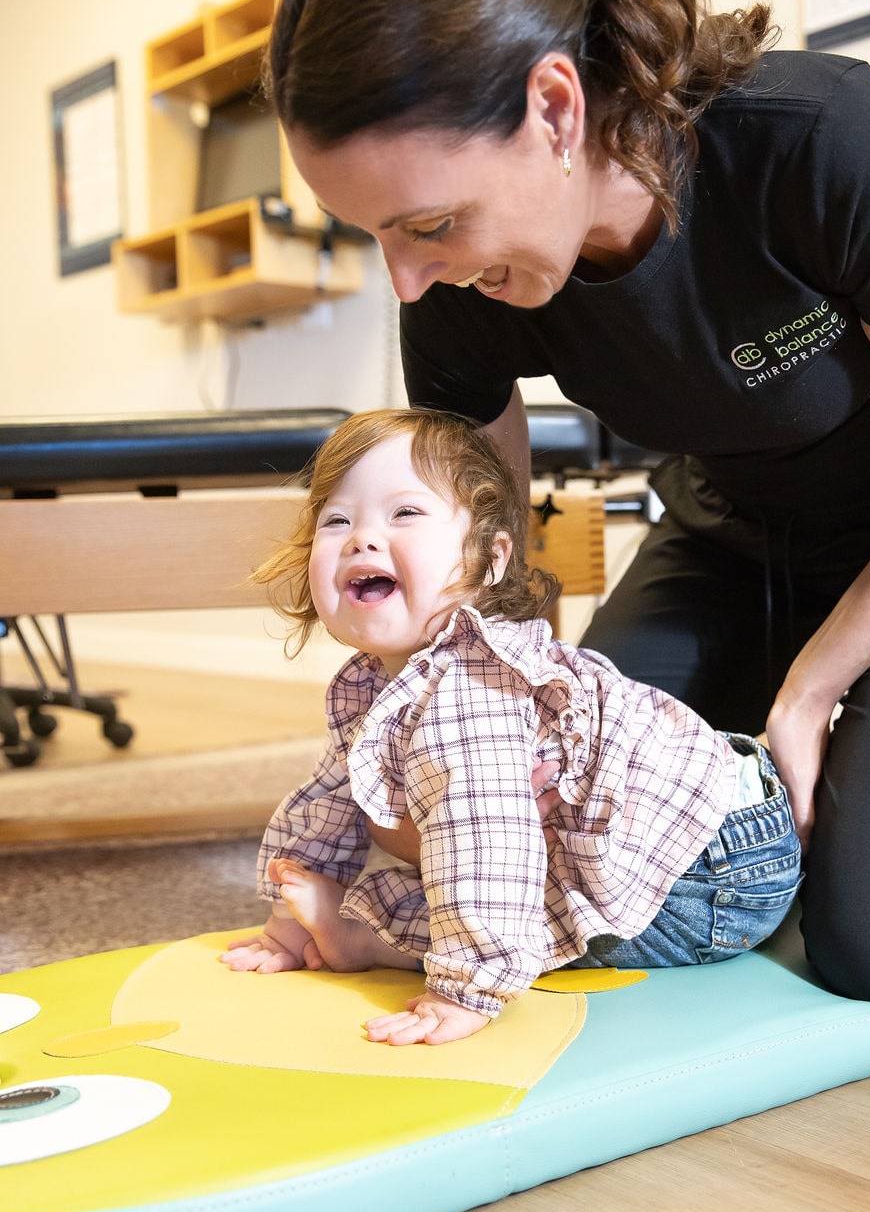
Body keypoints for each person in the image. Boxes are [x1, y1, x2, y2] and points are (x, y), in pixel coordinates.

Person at [263, 0, 870, 1012]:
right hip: (728, 543)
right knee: (577, 833)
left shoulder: (819, 141)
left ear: (557, 110)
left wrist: (813, 690)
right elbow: (476, 568)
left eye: (428, 224)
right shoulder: (462, 284)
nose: (409, 280)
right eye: (377, 235)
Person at [221, 409, 801, 1045]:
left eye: (405, 513)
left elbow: (486, 844)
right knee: (450, 861)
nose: (361, 538)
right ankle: (353, 931)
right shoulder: (375, 682)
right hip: (682, 816)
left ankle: (371, 940)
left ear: (489, 560)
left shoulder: (470, 691)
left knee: (508, 894)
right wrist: (288, 920)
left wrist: (463, 992)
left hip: (715, 871)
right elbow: (330, 798)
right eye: (337, 520)